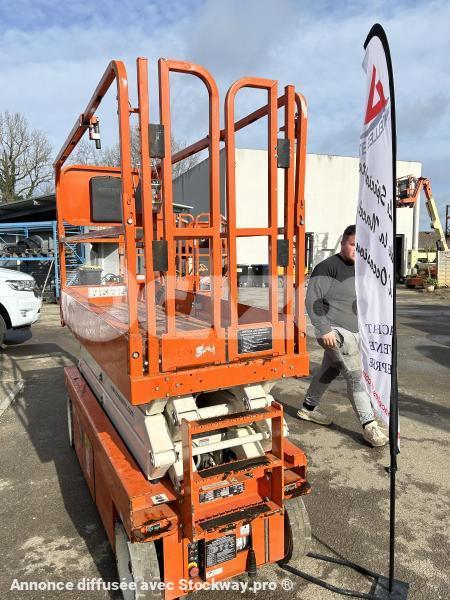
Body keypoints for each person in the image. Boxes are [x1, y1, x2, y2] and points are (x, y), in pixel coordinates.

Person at [298, 224, 388, 447]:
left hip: (356, 332)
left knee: (329, 370)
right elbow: (312, 300)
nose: (357, 249)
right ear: (343, 243)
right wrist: (324, 329)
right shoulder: (327, 267)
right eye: (353, 244)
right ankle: (369, 426)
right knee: (356, 377)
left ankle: (308, 408)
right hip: (336, 333)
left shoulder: (361, 268)